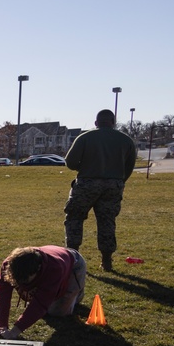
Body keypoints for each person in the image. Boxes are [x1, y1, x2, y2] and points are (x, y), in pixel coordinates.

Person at [63, 109, 136, 272]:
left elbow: (70, 162)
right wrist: (119, 180)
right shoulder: (125, 140)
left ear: (96, 123)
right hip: (114, 185)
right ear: (113, 121)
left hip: (87, 183)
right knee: (107, 221)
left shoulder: (85, 137)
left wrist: (86, 166)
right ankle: (106, 261)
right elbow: (129, 166)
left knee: (75, 217)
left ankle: (73, 259)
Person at [0, 246, 87, 338]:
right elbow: (2, 297)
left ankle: (77, 294)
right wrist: (2, 326)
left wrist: (15, 331)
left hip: (74, 264)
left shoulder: (54, 269)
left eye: (25, 281)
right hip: (56, 255)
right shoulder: (8, 266)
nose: (22, 284)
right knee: (46, 309)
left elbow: (40, 303)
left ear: (38, 269)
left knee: (57, 312)